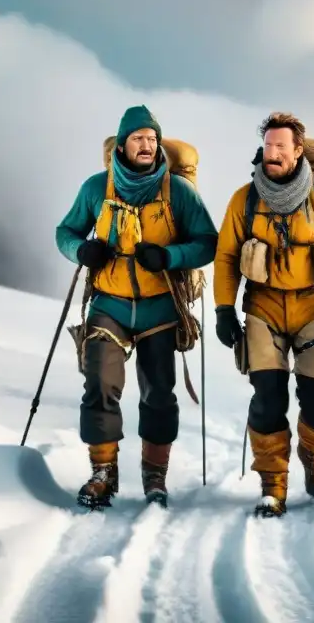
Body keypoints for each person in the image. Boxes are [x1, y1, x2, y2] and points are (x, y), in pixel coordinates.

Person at [56, 105, 218, 509]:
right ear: (123, 146)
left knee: (159, 393)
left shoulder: (178, 192)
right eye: (138, 139)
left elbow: (207, 242)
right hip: (109, 303)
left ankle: (154, 477)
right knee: (99, 384)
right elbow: (65, 232)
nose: (146, 146)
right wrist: (81, 249)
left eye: (152, 138)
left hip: (160, 307)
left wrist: (169, 257)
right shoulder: (97, 187)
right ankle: (103, 473)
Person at [213, 113, 314, 517]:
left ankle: (312, 455)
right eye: (268, 146)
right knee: (267, 398)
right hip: (264, 305)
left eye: (281, 146)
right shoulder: (244, 199)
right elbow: (227, 256)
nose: (273, 153)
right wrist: (223, 309)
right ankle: (273, 484)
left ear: (299, 151)